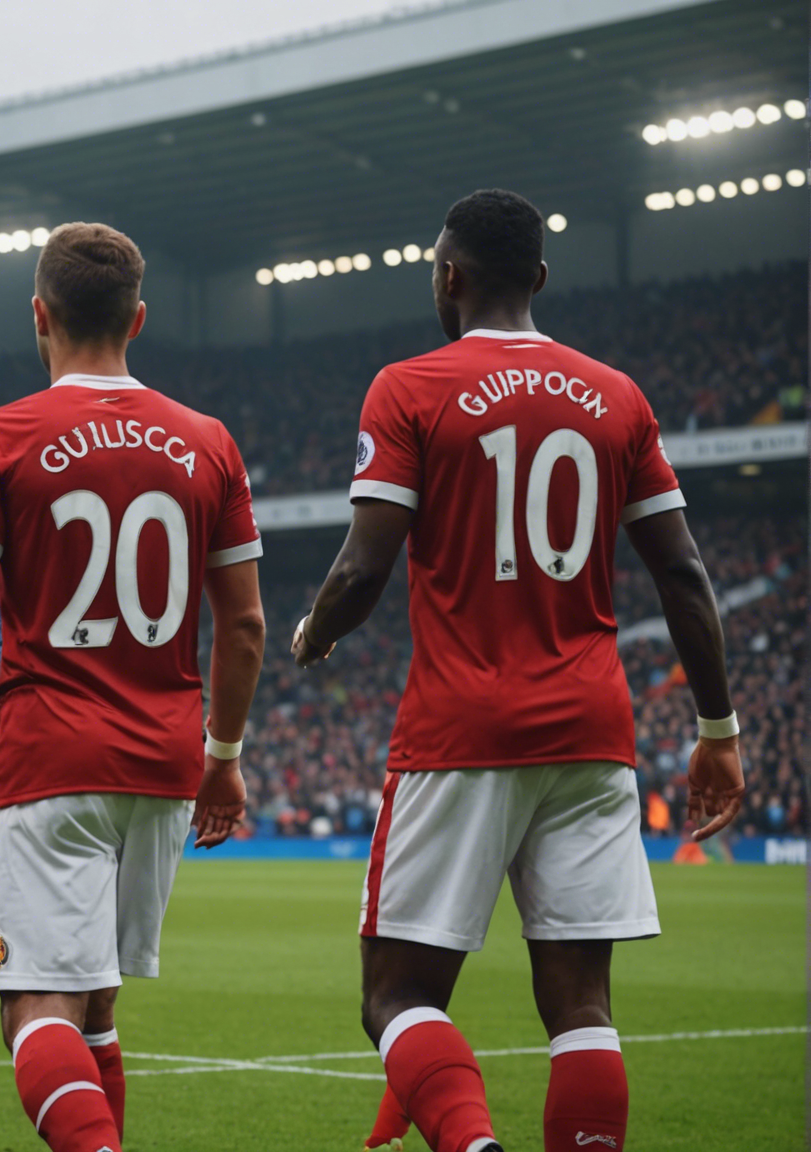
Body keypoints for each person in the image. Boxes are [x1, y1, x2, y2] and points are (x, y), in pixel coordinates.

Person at [290, 189, 744, 1152]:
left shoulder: (408, 388)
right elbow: (685, 574)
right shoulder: (617, 396)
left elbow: (363, 565)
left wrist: (313, 634)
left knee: (397, 996)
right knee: (582, 1007)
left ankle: (472, 1144)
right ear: (539, 278)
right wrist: (718, 731)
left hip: (460, 730)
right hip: (591, 733)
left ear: (447, 276)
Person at [0, 222, 264, 1152]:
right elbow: (247, 625)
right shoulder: (209, 442)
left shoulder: (0, 434)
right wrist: (225, 757)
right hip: (169, 761)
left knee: (37, 1014)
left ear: (38, 315)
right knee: (95, 1008)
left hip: (53, 757)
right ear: (137, 318)